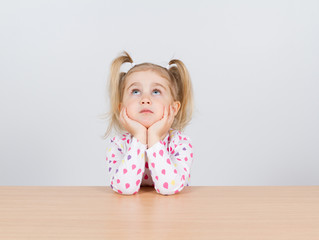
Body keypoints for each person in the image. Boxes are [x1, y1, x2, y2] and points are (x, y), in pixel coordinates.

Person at [103, 51, 194, 195]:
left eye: (156, 91)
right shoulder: (118, 144)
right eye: (135, 91)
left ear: (174, 108)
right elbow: (125, 188)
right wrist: (139, 136)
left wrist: (153, 137)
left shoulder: (180, 143)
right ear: (121, 108)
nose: (145, 99)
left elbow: (169, 188)